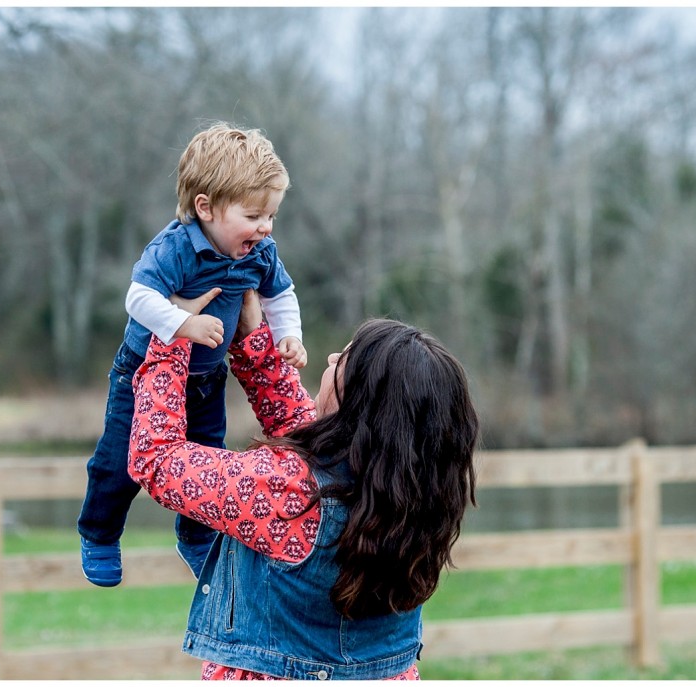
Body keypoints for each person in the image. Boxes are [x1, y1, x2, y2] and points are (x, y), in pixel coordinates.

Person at [128, 288, 479, 680]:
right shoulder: (416, 489)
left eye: (343, 360)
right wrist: (253, 340)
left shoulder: (288, 489)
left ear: (359, 401)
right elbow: (305, 434)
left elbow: (158, 460)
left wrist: (172, 334)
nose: (330, 358)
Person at [77, 123, 308, 587]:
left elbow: (281, 295)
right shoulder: (175, 249)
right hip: (142, 373)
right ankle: (99, 534)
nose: (264, 228)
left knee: (208, 458)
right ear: (206, 208)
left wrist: (289, 336)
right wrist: (181, 325)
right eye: (253, 216)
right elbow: (138, 299)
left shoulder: (261, 253)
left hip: (205, 378)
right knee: (118, 462)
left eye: (271, 217)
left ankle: (196, 535)